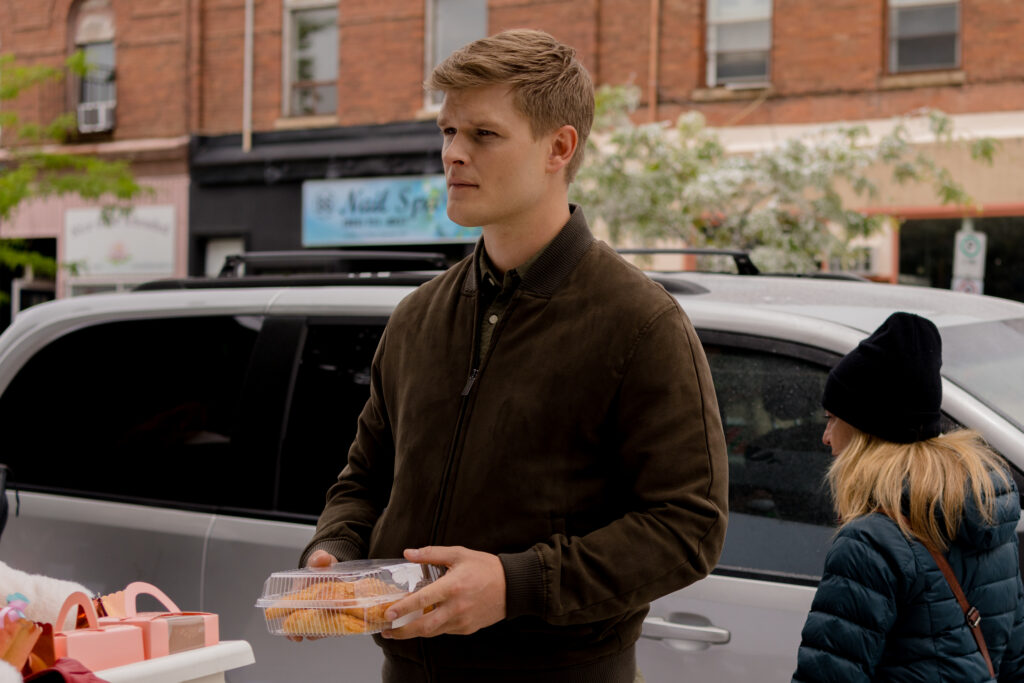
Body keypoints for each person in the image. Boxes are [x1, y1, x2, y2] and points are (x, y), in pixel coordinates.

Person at [297, 28, 729, 682]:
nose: (453, 155)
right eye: (447, 131)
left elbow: (687, 527)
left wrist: (514, 582)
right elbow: (364, 478)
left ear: (560, 146)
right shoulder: (417, 318)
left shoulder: (640, 323)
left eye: (483, 135)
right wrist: (334, 547)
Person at [793, 312, 1024, 682]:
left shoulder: (870, 543)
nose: (826, 436)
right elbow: (1015, 662)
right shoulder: (989, 514)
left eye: (832, 418)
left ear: (868, 432)